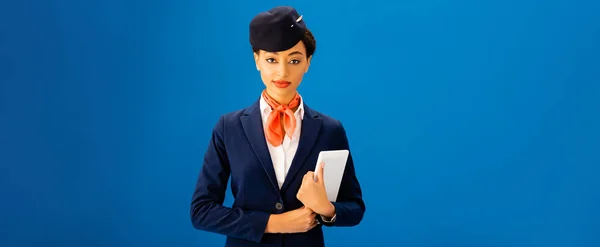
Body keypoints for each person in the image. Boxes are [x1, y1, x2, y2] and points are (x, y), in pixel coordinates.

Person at [190, 6, 365, 247]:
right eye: (272, 59)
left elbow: (354, 208)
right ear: (257, 61)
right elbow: (202, 211)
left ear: (308, 63)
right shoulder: (228, 128)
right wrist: (275, 223)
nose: (282, 71)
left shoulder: (330, 130)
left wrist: (325, 208)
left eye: (294, 60)